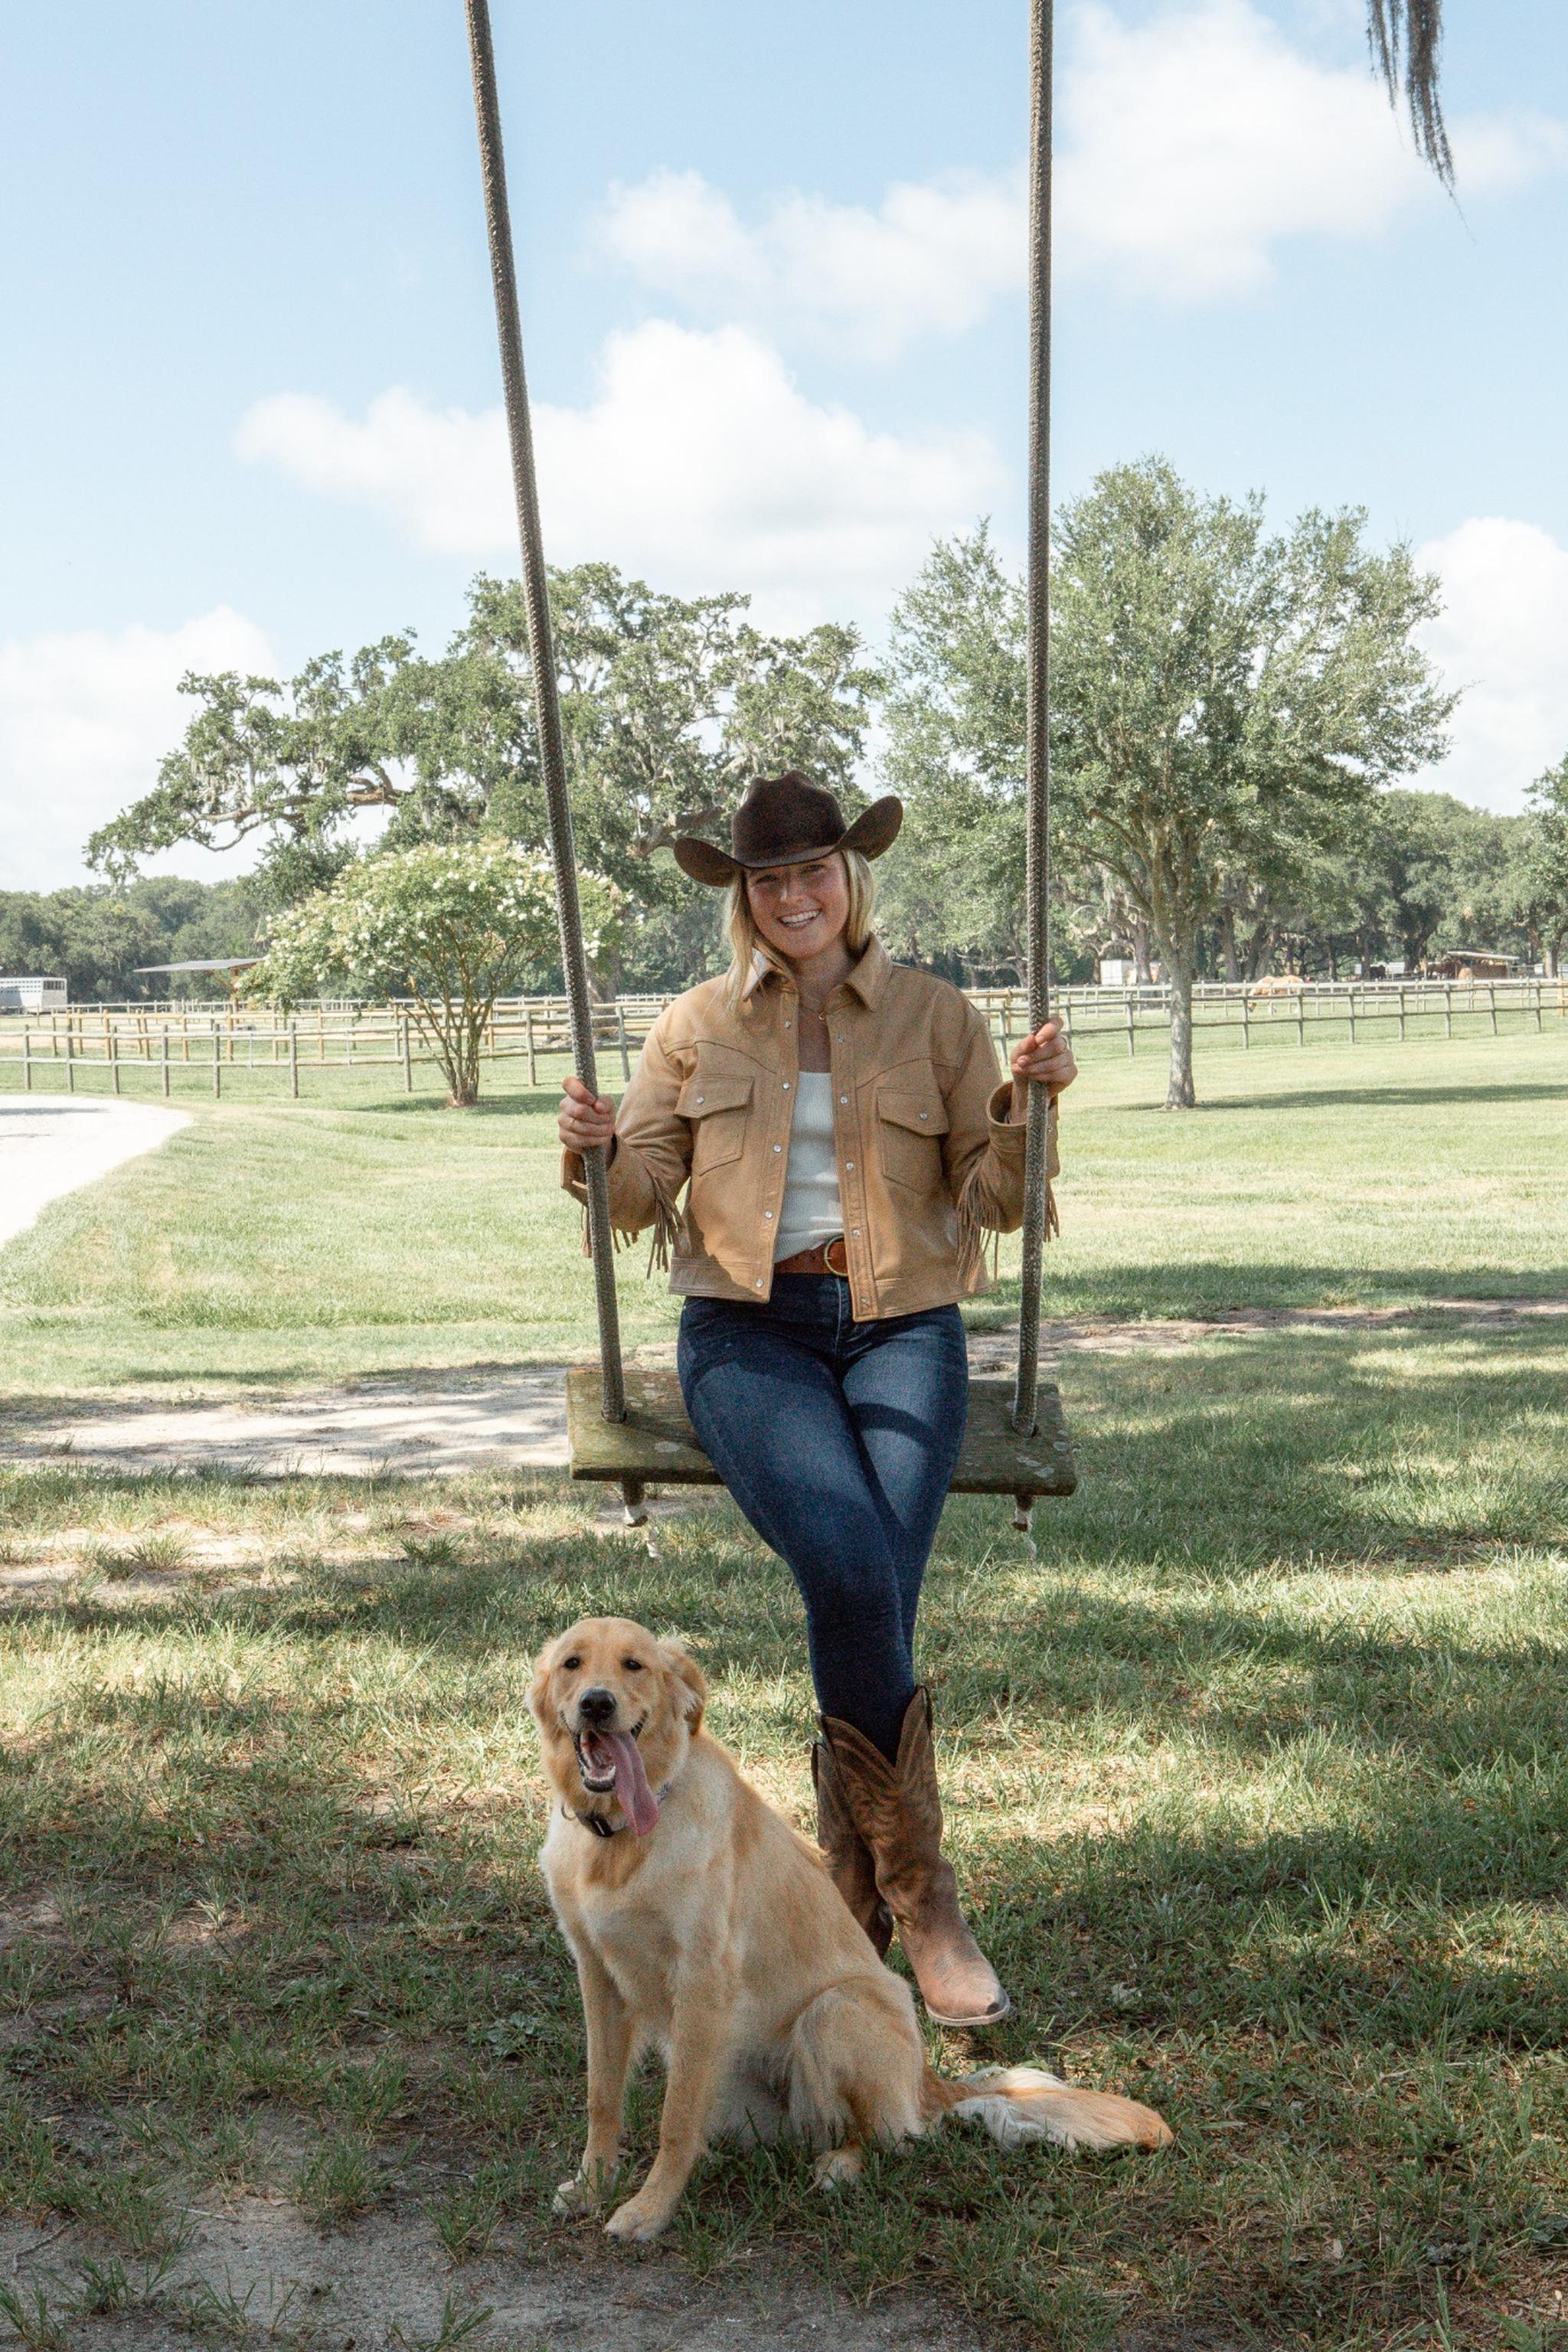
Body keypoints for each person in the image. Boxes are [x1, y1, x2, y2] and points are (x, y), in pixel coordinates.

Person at [557, 772, 1076, 2027]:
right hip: (747, 1335)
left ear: (852, 877)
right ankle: (925, 1899)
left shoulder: (935, 1017)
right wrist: (595, 1152)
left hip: (905, 1326)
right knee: (855, 1561)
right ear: (746, 896)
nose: (795, 895)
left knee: (866, 1578)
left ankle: (848, 1885)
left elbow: (994, 1199)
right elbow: (639, 1200)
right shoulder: (693, 1026)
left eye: (815, 871)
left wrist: (1026, 1108)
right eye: (769, 879)